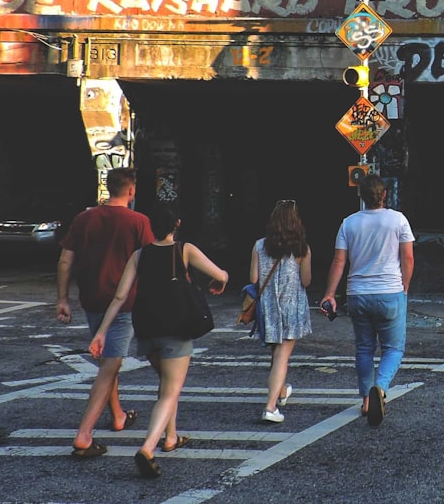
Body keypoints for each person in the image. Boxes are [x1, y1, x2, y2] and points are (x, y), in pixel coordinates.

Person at [90, 203, 228, 479]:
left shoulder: (139, 256)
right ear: (176, 224)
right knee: (170, 391)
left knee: (166, 385)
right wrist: (220, 282)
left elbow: (119, 297)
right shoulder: (184, 250)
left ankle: (171, 437)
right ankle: (148, 447)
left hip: (147, 330)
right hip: (176, 329)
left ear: (151, 226)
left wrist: (101, 332)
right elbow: (221, 274)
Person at [56, 167, 154, 458]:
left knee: (108, 359)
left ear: (107, 188)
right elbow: (152, 262)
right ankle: (84, 434)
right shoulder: (139, 221)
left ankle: (118, 415)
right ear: (132, 190)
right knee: (111, 364)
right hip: (124, 303)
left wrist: (62, 298)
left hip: (91, 298)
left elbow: (65, 261)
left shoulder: (84, 219)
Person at [322, 175, 414, 427]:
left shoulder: (349, 223)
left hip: (358, 294)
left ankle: (365, 400)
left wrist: (330, 293)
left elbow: (339, 261)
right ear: (384, 195)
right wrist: (405, 285)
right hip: (389, 292)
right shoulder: (398, 220)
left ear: (361, 196)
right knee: (393, 348)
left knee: (364, 348)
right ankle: (380, 388)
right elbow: (407, 258)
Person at [250, 199, 313, 423]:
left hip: (268, 308)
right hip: (292, 307)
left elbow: (254, 279)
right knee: (282, 356)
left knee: (277, 355)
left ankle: (282, 390)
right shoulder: (302, 248)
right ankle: (270, 407)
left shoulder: (259, 245)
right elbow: (306, 281)